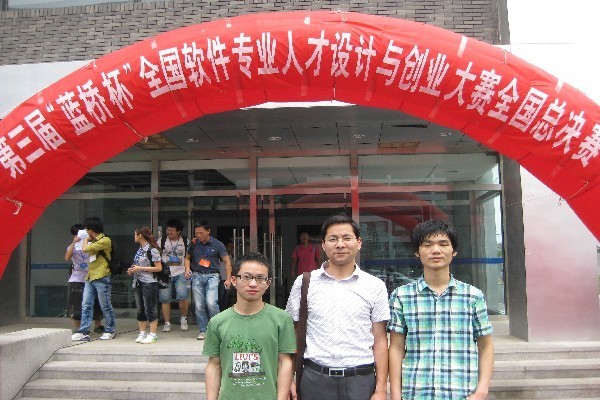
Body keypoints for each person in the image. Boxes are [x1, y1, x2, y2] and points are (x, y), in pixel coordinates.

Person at [286, 214, 390, 400]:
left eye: (346, 238)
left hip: (360, 380)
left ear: (359, 243)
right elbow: (292, 333)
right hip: (315, 379)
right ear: (323, 245)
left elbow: (380, 339)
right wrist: (289, 380)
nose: (340, 244)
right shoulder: (304, 283)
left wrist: (381, 388)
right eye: (333, 239)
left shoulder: (375, 286)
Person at [388, 220, 494, 400]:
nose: (435, 250)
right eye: (427, 245)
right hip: (415, 392)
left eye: (443, 244)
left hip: (461, 393)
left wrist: (482, 390)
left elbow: (486, 345)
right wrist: (396, 395)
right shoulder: (401, 296)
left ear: (454, 251)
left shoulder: (473, 296)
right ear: (417, 252)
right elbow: (396, 347)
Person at [203, 252, 296, 400]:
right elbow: (214, 365)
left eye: (260, 278)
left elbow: (285, 362)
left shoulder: (281, 319)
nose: (253, 284)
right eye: (246, 277)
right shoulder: (217, 322)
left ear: (268, 283)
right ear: (234, 280)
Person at [71, 216, 117, 341]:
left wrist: (86, 239)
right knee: (86, 305)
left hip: (102, 276)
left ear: (91, 230)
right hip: (90, 276)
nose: (86, 232)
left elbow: (85, 249)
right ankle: (83, 330)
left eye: (87, 229)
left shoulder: (105, 240)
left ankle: (110, 329)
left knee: (105, 305)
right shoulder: (94, 240)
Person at [185, 220, 232, 340]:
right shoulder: (193, 244)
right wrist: (187, 269)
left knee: (211, 303)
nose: (198, 235)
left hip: (212, 276)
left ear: (208, 231)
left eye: (201, 233)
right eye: (196, 233)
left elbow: (227, 261)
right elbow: (187, 258)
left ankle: (217, 329)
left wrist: (228, 278)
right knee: (199, 305)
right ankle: (203, 330)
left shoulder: (218, 244)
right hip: (197, 275)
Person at [65, 223, 103, 333]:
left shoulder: (91, 244)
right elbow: (67, 257)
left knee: (95, 302)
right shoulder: (72, 247)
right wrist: (74, 243)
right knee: (77, 304)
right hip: (77, 278)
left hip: (92, 276)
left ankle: (98, 325)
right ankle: (79, 328)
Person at [127, 226, 163, 344]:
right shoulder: (140, 249)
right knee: (140, 309)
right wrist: (133, 270)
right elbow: (137, 264)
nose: (134, 237)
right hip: (138, 281)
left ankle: (153, 334)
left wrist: (140, 268)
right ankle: (142, 332)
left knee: (150, 308)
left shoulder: (152, 249)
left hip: (149, 282)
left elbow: (158, 268)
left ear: (140, 235)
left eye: (135, 234)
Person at [158, 219, 190, 332]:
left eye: (171, 230)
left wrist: (187, 269)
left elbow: (188, 256)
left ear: (178, 231)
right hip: (166, 274)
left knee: (183, 296)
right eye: (168, 230)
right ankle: (167, 323)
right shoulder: (161, 241)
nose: (169, 232)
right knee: (165, 299)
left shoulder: (185, 241)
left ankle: (183, 318)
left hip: (181, 272)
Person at [218, 238, 234, 311]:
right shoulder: (219, 256)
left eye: (232, 247)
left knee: (226, 298)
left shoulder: (230, 255)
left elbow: (232, 266)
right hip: (220, 279)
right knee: (220, 297)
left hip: (227, 279)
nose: (231, 248)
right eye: (230, 247)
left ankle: (223, 311)